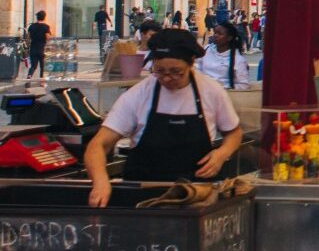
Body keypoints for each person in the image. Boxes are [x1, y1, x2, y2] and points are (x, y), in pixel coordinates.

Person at [83, 29, 244, 206]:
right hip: (144, 198)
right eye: (160, 71)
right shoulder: (139, 94)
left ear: (191, 63)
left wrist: (221, 154)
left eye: (176, 72)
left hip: (196, 195)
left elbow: (234, 133)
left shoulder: (212, 91)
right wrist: (100, 182)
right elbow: (98, 145)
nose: (167, 78)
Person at [199, 20, 250, 89]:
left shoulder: (238, 59)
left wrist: (222, 88)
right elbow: (198, 69)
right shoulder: (206, 50)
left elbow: (243, 85)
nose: (215, 35)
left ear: (229, 38)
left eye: (219, 34)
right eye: (215, 33)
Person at [24, 11, 50, 81]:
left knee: (33, 66)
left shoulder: (32, 26)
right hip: (42, 49)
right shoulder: (46, 27)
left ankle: (29, 76)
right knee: (42, 67)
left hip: (33, 48)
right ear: (44, 17)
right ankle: (42, 81)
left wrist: (28, 47)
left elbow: (28, 38)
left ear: (37, 17)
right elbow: (47, 38)